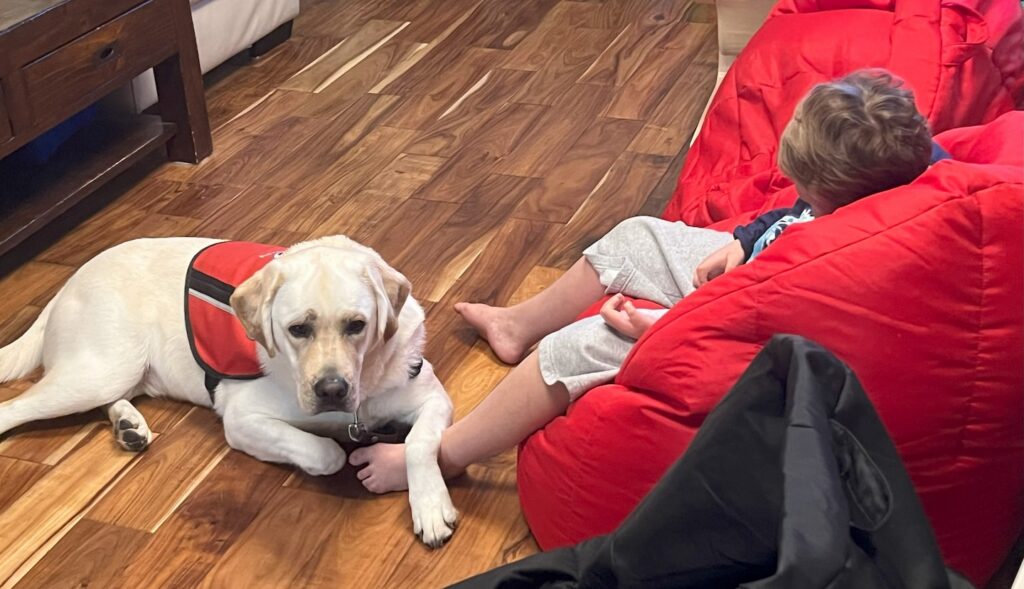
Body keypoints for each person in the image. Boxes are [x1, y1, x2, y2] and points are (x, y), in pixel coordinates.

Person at [348, 69, 949, 493]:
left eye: (811, 192)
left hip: (740, 331)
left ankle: (442, 456)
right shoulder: (876, 188)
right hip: (747, 278)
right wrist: (741, 241)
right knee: (637, 233)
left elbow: (771, 325)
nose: (800, 198)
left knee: (571, 351)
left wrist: (658, 326)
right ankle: (516, 323)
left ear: (841, 199)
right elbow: (789, 214)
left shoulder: (834, 260)